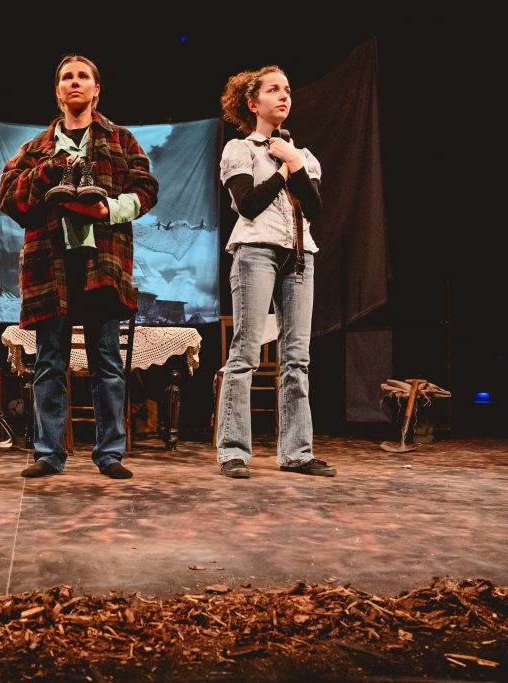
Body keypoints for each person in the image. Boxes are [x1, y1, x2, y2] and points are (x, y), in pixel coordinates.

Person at [0, 54, 158, 479]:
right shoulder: (36, 148)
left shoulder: (120, 139)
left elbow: (146, 189)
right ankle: (49, 453)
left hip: (101, 262)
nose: (75, 83)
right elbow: (8, 198)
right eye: (67, 77)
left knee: (106, 360)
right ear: (57, 90)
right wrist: (49, 171)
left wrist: (109, 209)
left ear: (96, 88)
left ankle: (110, 454)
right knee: (50, 361)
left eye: (83, 77)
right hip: (49, 266)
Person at [215, 65, 336, 478]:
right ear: (253, 103)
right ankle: (233, 450)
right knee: (246, 352)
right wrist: (285, 168)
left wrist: (295, 163)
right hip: (255, 252)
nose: (284, 96)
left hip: (300, 256)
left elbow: (315, 209)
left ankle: (297, 453)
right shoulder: (240, 149)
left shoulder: (304, 156)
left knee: (296, 358)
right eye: (273, 90)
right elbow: (248, 204)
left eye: (287, 89)